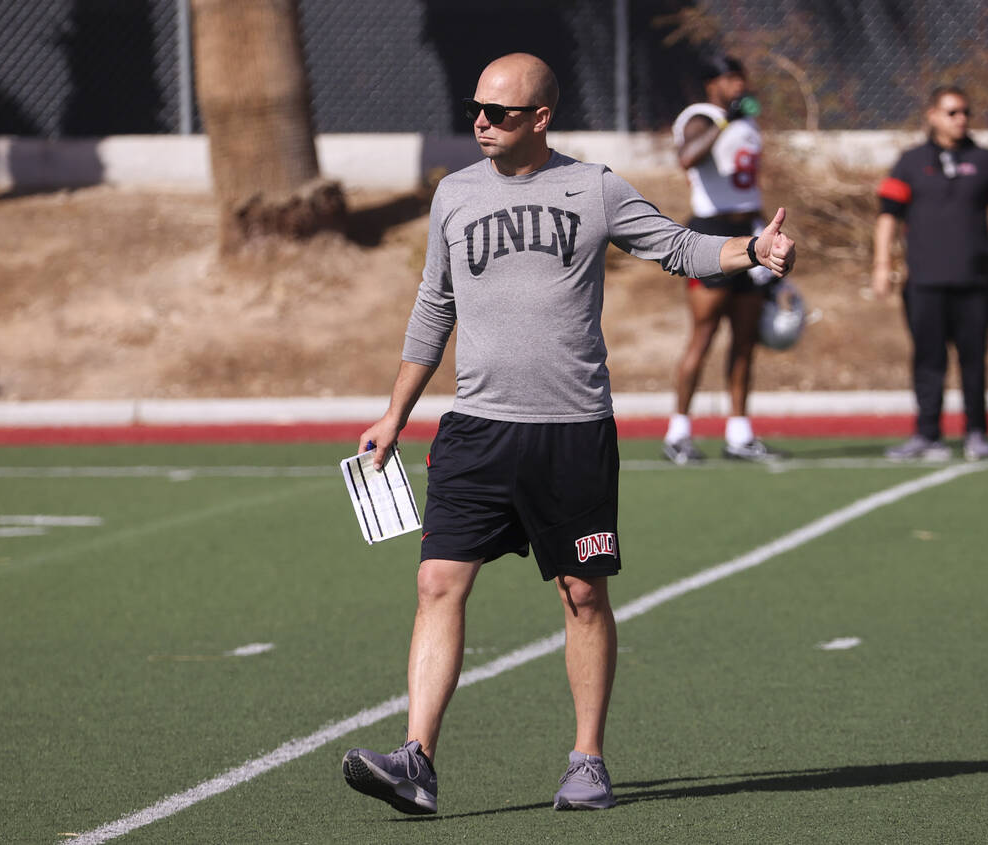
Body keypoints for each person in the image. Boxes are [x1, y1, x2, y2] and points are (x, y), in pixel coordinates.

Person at [341, 53, 796, 816]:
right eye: (475, 108)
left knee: (583, 592)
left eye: (501, 112)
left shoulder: (594, 187)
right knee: (435, 582)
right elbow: (433, 307)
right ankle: (416, 758)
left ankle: (588, 760)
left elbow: (676, 247)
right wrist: (396, 413)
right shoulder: (453, 195)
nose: (481, 121)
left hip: (572, 431)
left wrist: (752, 251)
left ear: (541, 119)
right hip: (477, 430)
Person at [873, 86, 988, 461]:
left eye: (965, 112)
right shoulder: (911, 162)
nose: (961, 119)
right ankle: (927, 435)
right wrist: (882, 264)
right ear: (933, 115)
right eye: (952, 112)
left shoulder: (985, 160)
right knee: (928, 359)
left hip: (973, 280)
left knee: (973, 358)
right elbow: (887, 216)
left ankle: (977, 433)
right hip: (924, 281)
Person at [663, 55, 782, 465]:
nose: (739, 85)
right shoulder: (701, 117)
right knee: (704, 333)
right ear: (712, 83)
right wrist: (724, 121)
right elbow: (687, 157)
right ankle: (678, 432)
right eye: (731, 78)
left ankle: (739, 434)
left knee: (746, 338)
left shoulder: (746, 121)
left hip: (750, 234)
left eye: (741, 77)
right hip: (709, 236)